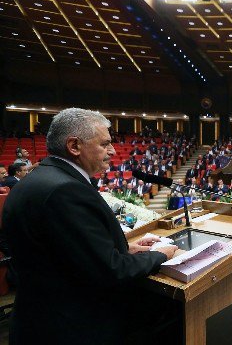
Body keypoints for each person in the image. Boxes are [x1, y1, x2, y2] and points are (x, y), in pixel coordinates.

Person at [2, 108, 178, 344]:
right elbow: (111, 271)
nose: (112, 151)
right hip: (72, 327)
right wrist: (159, 254)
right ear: (74, 146)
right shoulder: (65, 190)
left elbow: (64, 253)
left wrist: (122, 248)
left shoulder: (37, 179)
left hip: (39, 317)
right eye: (105, 144)